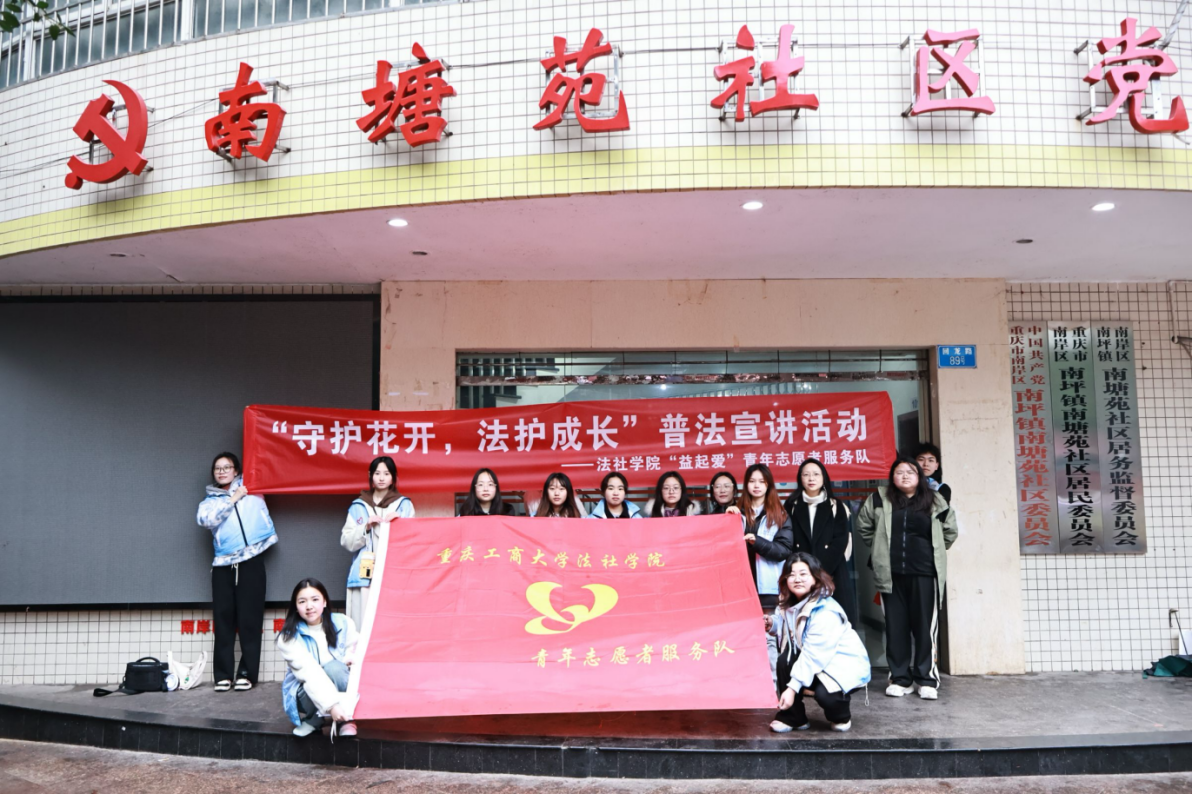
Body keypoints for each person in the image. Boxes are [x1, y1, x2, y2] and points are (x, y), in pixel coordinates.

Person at [857, 457, 958, 700]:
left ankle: (926, 679)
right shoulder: (879, 499)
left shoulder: (935, 500)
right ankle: (900, 679)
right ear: (892, 476)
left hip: (925, 574)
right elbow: (864, 526)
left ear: (919, 477)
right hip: (890, 576)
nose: (904, 476)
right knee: (896, 628)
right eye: (899, 472)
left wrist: (932, 551)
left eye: (910, 472)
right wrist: (880, 549)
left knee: (925, 629)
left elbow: (950, 531)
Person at [196, 451, 277, 693]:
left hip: (251, 560)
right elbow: (205, 520)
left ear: (237, 471)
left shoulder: (253, 487)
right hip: (223, 565)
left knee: (250, 621)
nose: (222, 471)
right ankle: (223, 676)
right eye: (217, 468)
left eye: (227, 467)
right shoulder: (209, 501)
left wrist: (243, 491)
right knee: (223, 621)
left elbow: (272, 470)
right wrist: (233, 498)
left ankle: (247, 674)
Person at [765, 553, 871, 733]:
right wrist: (772, 623)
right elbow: (786, 624)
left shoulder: (825, 611)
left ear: (815, 578)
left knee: (826, 696)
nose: (797, 579)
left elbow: (813, 655)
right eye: (791, 574)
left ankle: (841, 715)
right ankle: (793, 718)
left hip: (840, 666)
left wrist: (791, 689)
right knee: (784, 661)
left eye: (803, 574)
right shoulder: (788, 602)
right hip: (816, 660)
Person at [277, 578, 359, 738]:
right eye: (302, 601)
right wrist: (332, 705)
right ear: (296, 607)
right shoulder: (288, 637)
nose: (309, 606)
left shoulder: (343, 623)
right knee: (316, 676)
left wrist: (349, 658)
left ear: (325, 602)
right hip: (305, 691)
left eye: (315, 599)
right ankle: (315, 720)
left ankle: (346, 719)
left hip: (340, 683)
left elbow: (356, 650)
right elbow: (309, 673)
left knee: (335, 669)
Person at [783, 458, 858, 628]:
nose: (811, 478)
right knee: (802, 621)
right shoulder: (791, 505)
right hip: (801, 573)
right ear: (800, 478)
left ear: (824, 478)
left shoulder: (835, 505)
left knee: (836, 621)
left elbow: (840, 540)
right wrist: (804, 570)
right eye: (806, 474)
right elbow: (789, 538)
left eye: (816, 474)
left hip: (832, 570)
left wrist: (819, 572)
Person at [340, 456, 414, 629]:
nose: (381, 478)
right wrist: (365, 527)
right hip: (364, 576)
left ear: (393, 477)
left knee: (392, 625)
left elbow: (412, 542)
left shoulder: (403, 506)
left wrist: (400, 524)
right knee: (363, 625)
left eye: (386, 474)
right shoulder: (358, 506)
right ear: (370, 476)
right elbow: (346, 541)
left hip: (394, 573)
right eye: (377, 473)